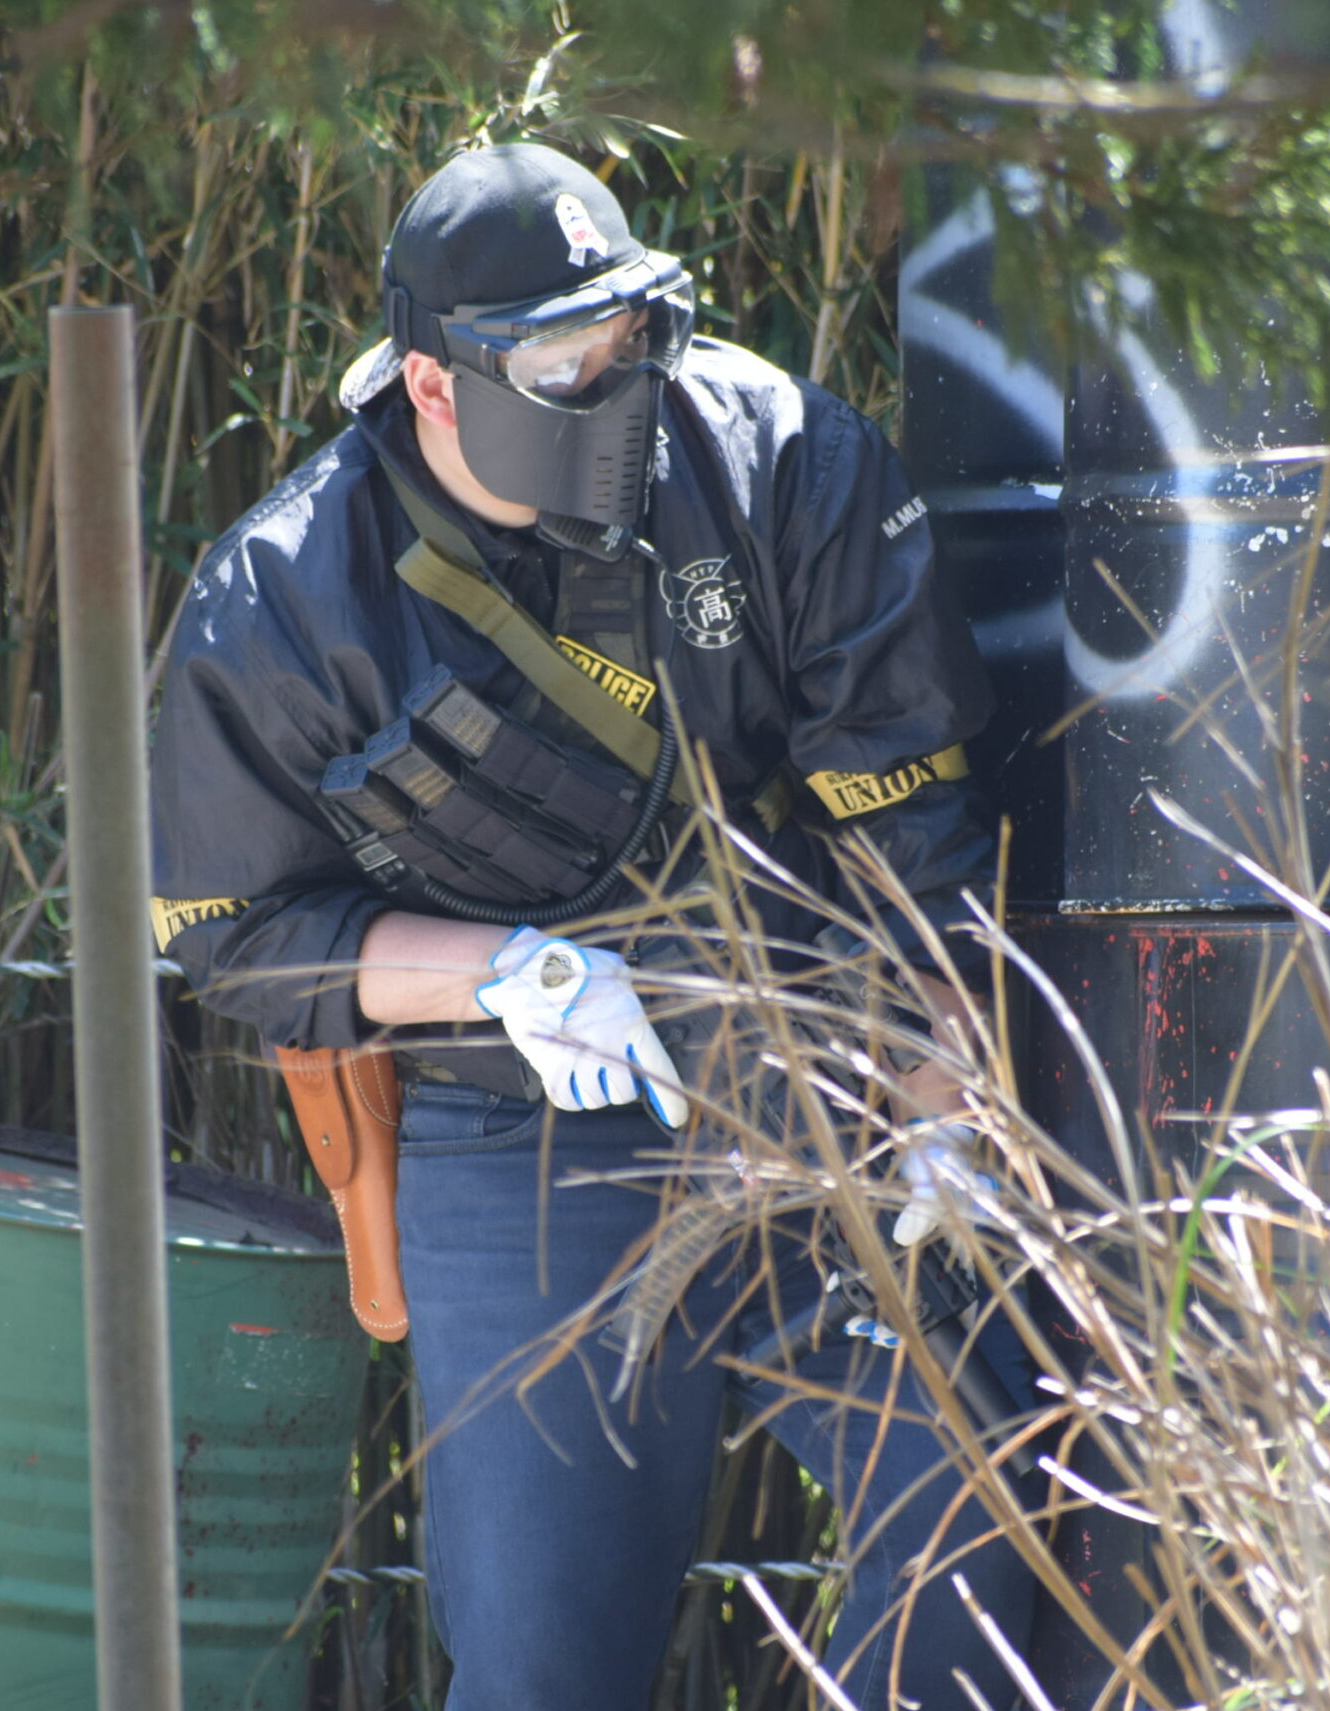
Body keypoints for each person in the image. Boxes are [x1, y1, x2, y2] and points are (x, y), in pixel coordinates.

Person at [150, 142, 1036, 1709]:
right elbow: (232, 933)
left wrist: (945, 1100)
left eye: (629, 338)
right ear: (434, 383)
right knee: (542, 1664)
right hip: (523, 1133)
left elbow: (917, 834)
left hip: (813, 1081)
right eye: (562, 362)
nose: (612, 385)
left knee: (984, 1501)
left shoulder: (777, 461)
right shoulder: (285, 600)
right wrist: (503, 975)